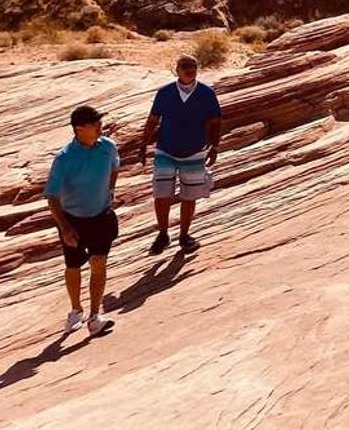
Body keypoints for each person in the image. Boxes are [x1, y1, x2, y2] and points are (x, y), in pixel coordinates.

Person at [45, 105, 122, 336]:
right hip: (74, 220)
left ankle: (95, 316)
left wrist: (110, 191)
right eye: (94, 123)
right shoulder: (64, 158)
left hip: (101, 216)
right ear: (79, 129)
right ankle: (75, 310)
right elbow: (52, 196)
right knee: (74, 266)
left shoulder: (108, 147)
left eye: (100, 122)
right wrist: (64, 227)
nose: (100, 126)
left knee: (99, 262)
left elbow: (115, 168)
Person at [137, 55, 223, 254]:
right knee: (161, 193)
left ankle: (184, 235)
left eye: (193, 66)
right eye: (185, 66)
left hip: (194, 151)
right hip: (165, 149)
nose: (189, 69)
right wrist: (143, 144)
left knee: (189, 196)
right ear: (176, 70)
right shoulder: (165, 92)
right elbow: (153, 119)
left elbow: (215, 121)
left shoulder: (206, 93)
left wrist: (215, 146)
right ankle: (163, 234)